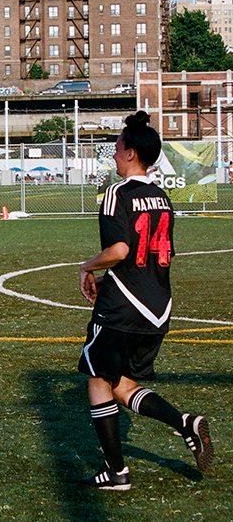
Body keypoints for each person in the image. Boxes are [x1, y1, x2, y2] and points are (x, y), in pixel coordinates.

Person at [77, 111, 213, 490]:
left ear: (132, 153)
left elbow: (120, 248)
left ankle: (116, 471)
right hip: (158, 307)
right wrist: (111, 276)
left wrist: (88, 267)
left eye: (118, 147)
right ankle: (184, 423)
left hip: (122, 306)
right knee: (120, 383)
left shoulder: (117, 194)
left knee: (97, 379)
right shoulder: (161, 197)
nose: (115, 153)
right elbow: (148, 253)